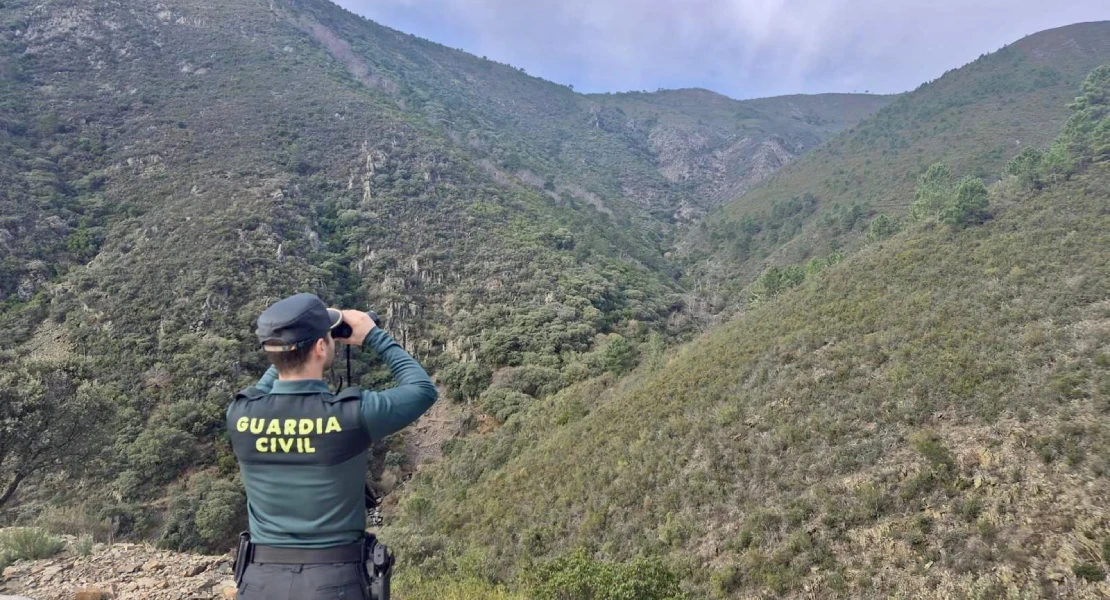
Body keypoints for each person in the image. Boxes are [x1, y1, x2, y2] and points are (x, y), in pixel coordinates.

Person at [226, 292, 438, 599]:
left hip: (260, 582)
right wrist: (373, 336)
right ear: (322, 347)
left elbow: (274, 377)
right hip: (335, 582)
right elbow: (422, 390)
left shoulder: (240, 414)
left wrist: (297, 342)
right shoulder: (350, 415)